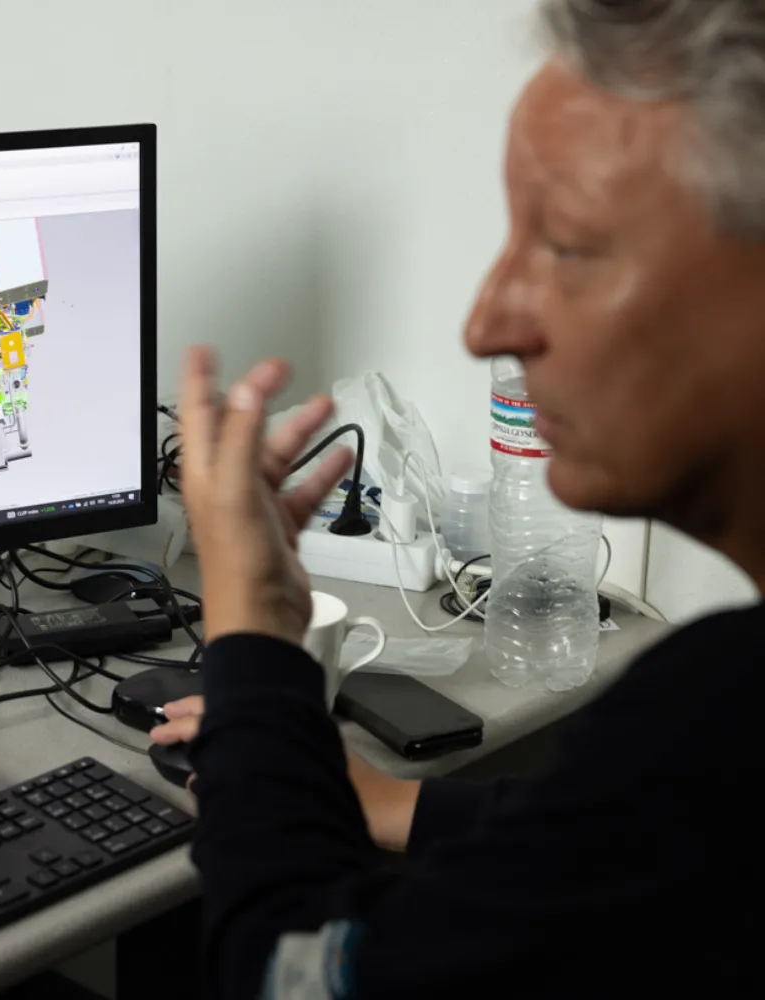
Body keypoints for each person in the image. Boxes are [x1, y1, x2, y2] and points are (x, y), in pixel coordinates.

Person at [156, 1, 765, 996]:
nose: (485, 322)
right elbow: (640, 847)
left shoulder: (720, 711)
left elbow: (287, 975)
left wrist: (254, 636)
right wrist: (393, 802)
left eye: (566, 245)